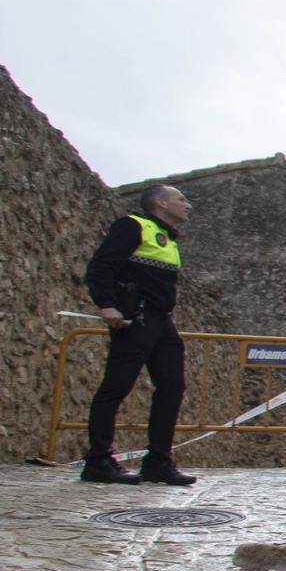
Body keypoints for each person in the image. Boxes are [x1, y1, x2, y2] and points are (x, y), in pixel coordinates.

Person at [79, 184, 198, 486]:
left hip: (161, 320)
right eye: (180, 199)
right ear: (160, 203)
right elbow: (100, 267)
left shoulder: (169, 240)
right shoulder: (133, 226)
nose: (188, 205)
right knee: (116, 387)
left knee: (172, 386)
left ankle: (158, 461)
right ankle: (98, 461)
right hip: (137, 317)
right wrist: (107, 304)